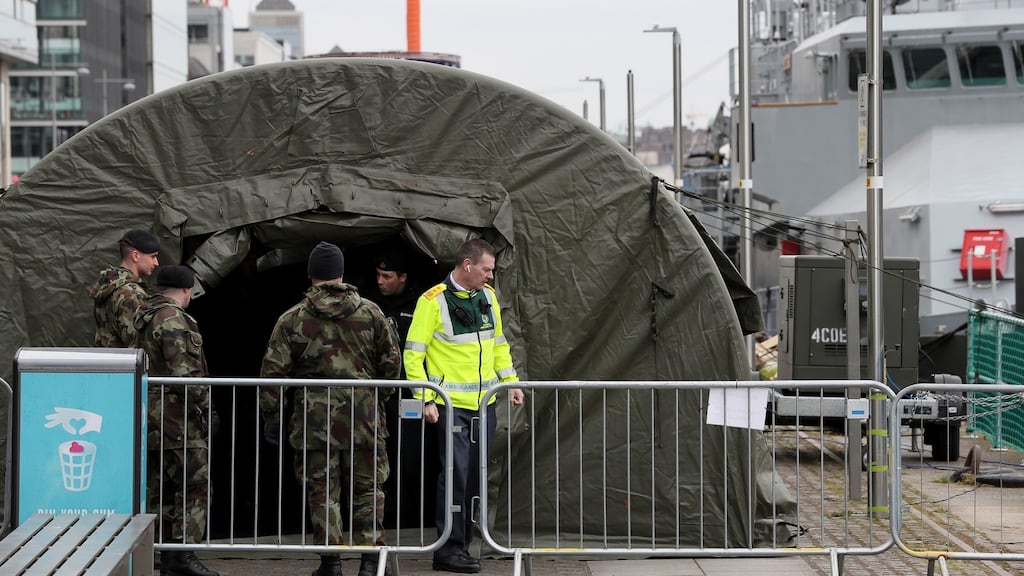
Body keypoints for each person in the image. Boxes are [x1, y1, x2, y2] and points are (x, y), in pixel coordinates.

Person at [260, 242, 401, 576]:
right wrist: (378, 401)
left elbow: (272, 373)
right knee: (368, 489)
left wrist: (272, 415)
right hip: (364, 418)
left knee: (323, 492)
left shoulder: (292, 318)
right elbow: (392, 364)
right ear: (341, 274)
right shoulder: (371, 313)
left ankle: (331, 563)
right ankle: (370, 562)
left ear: (311, 276)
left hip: (314, 421)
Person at [403, 238, 525, 574]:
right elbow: (414, 353)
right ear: (468, 265)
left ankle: (463, 546)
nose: (490, 276)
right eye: (487, 269)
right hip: (452, 405)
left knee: (474, 480)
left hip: (485, 403)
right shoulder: (433, 301)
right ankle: (447, 550)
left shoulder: (488, 296)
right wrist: (424, 398)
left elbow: (499, 344)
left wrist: (510, 381)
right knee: (455, 479)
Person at [133, 265, 218, 576]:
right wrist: (207, 407)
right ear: (187, 290)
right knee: (195, 484)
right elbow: (185, 372)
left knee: (160, 488)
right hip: (176, 418)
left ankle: (164, 554)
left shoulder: (142, 315)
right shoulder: (172, 318)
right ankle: (181, 556)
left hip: (150, 416)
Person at [90, 229, 160, 347]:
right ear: (135, 256)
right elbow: (137, 344)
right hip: (126, 363)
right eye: (153, 257)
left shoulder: (109, 285)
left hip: (107, 361)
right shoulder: (131, 294)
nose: (156, 263)